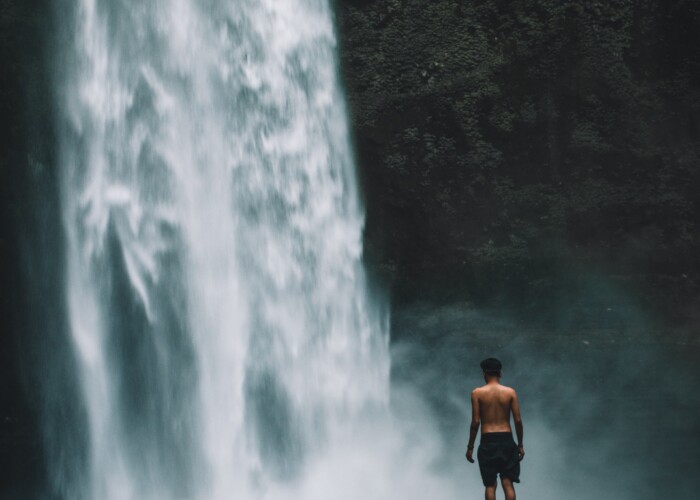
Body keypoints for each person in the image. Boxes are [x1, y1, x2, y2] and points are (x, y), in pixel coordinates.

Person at [466, 358, 524, 500]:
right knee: (508, 482)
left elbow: (475, 422)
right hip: (507, 440)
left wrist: (470, 447)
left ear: (484, 374)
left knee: (490, 485)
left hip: (488, 440)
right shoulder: (510, 392)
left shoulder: (477, 393)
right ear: (500, 373)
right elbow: (517, 420)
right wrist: (520, 445)